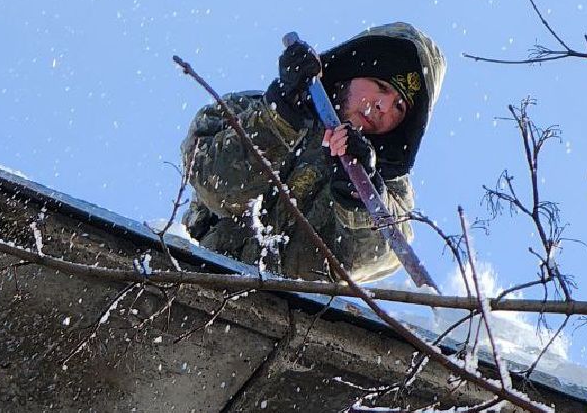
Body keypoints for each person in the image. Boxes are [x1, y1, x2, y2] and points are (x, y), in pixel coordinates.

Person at [180, 22, 444, 280]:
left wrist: (357, 196)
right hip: (197, 284)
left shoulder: (389, 190)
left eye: (399, 106)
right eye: (381, 86)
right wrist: (279, 120)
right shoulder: (248, 109)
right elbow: (213, 182)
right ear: (350, 74)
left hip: (293, 315)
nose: (384, 106)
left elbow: (379, 257)